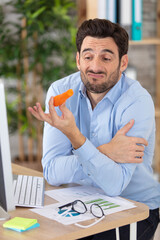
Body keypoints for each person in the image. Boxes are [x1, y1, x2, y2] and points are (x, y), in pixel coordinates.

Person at [28, 19, 160, 240]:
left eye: (106, 58)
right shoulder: (60, 92)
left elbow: (115, 183)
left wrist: (75, 137)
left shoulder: (137, 102)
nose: (95, 66)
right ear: (78, 60)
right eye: (88, 57)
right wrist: (106, 150)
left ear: (123, 62)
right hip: (79, 202)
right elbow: (52, 171)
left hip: (134, 207)